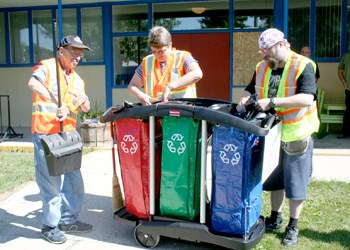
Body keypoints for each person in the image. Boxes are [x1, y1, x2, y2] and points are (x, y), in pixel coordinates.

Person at [236, 28, 319, 247]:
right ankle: (275, 217)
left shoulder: (303, 65)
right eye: (262, 52)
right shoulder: (262, 66)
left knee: (296, 183)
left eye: (268, 51)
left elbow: (307, 98)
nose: (264, 56)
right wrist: (244, 99)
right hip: (272, 133)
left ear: (282, 44)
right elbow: (250, 89)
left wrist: (272, 103)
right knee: (274, 178)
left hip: (297, 133)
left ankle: (293, 225)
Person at [28, 35, 92, 244]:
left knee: (74, 182)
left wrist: (84, 101)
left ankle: (68, 219)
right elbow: (32, 83)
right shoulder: (47, 67)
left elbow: (86, 107)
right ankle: (50, 225)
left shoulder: (78, 79)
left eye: (80, 54)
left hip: (68, 138)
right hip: (46, 135)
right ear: (61, 51)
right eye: (74, 52)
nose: (78, 57)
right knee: (51, 184)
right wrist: (56, 101)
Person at [127, 26, 203, 105]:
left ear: (170, 45)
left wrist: (170, 86)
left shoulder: (182, 57)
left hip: (183, 113)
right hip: (156, 114)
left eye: (161, 51)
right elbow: (131, 86)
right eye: (154, 51)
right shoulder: (147, 62)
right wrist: (140, 95)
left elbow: (197, 73)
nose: (158, 55)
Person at [337, 52, 350, 139]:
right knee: (348, 111)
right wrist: (344, 83)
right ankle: (345, 132)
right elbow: (339, 70)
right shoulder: (346, 56)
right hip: (349, 89)